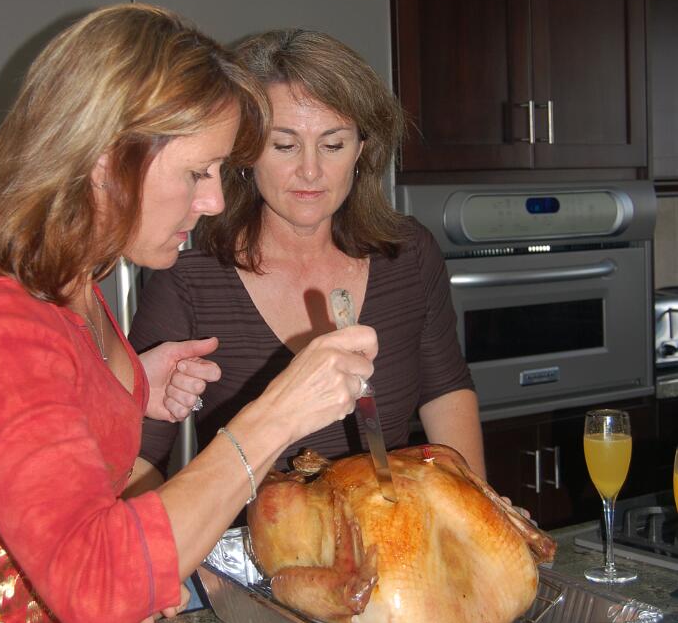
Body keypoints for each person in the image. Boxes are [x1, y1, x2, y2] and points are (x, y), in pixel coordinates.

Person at [0, 6, 376, 623]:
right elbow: (99, 589)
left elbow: (46, 447)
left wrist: (127, 388)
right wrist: (275, 417)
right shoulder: (2, 317)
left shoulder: (66, 276)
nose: (214, 199)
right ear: (104, 158)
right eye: (197, 172)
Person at [129, 27, 484, 490]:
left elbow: (446, 392)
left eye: (333, 145)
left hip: (388, 527)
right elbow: (139, 458)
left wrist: (476, 509)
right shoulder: (187, 282)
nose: (311, 171)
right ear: (245, 150)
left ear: (361, 150)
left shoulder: (409, 254)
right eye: (284, 145)